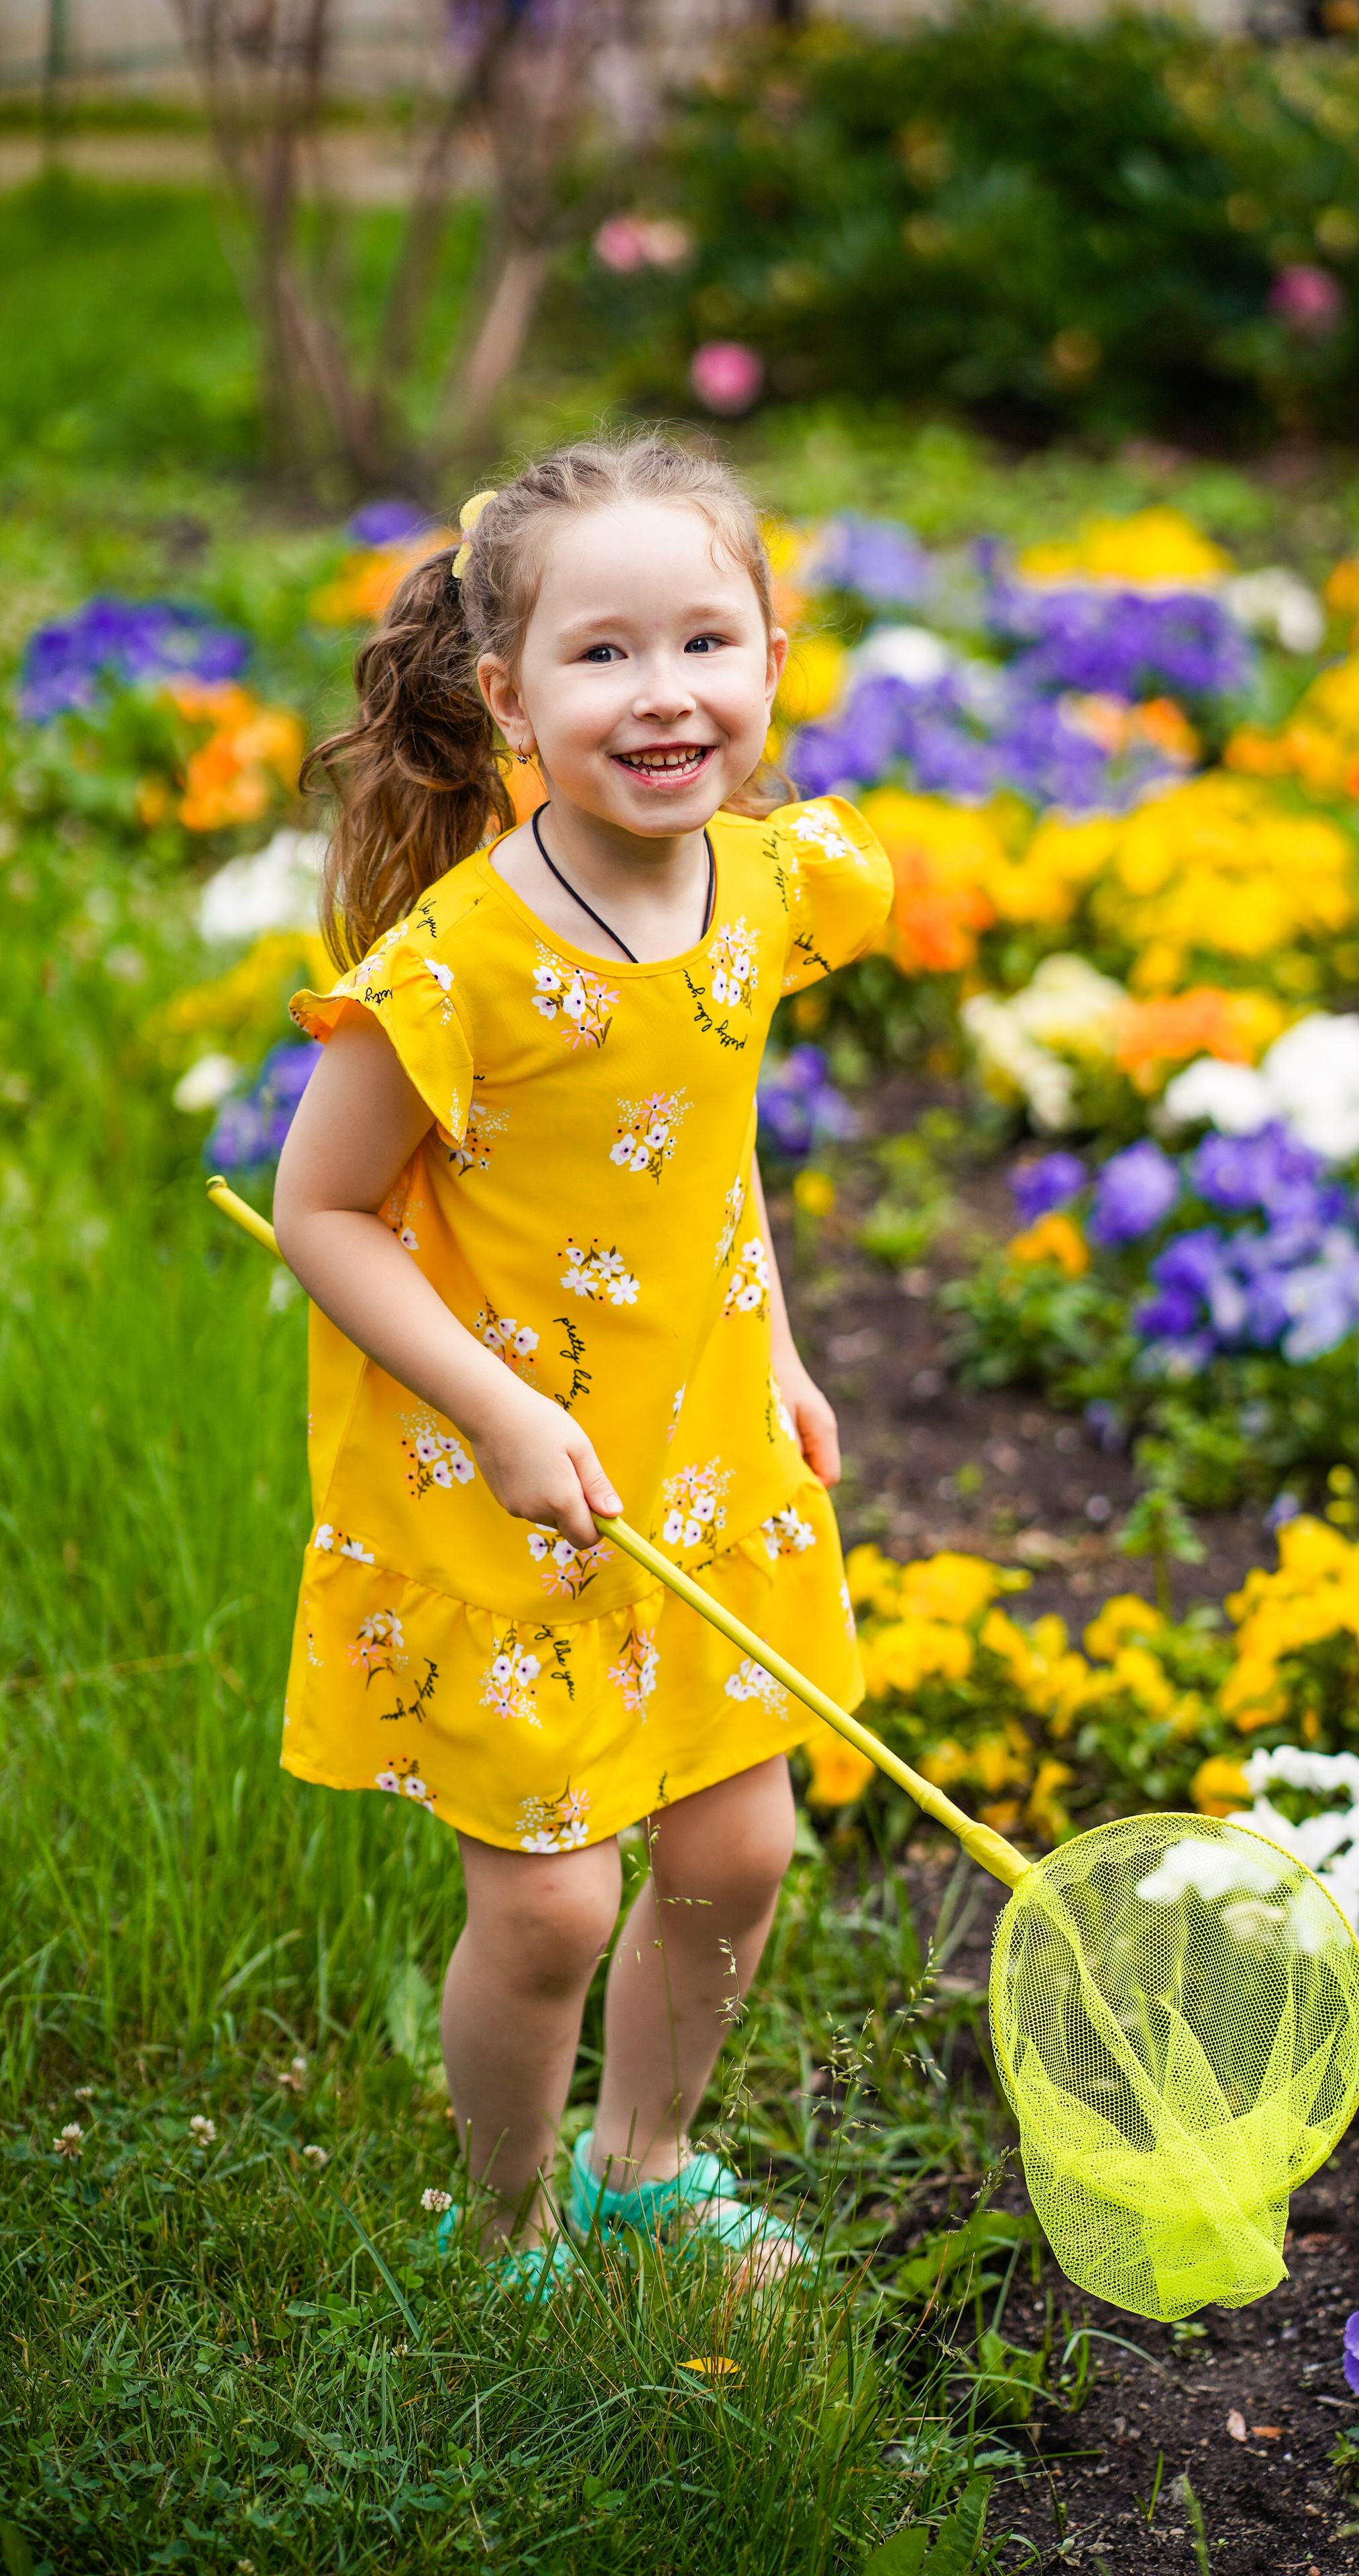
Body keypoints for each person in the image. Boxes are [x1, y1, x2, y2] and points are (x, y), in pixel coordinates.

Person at [272, 433, 891, 2287]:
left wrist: (771, 1340)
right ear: (508, 697)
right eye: (602, 655)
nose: (664, 694)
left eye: (706, 641)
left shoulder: (766, 890)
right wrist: (506, 1408)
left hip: (699, 1454)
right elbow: (321, 1214)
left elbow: (712, 1141)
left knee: (739, 1849)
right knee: (548, 1900)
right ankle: (505, 2223)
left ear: (773, 661)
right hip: (499, 1465)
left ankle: (645, 2161)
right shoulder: (459, 964)